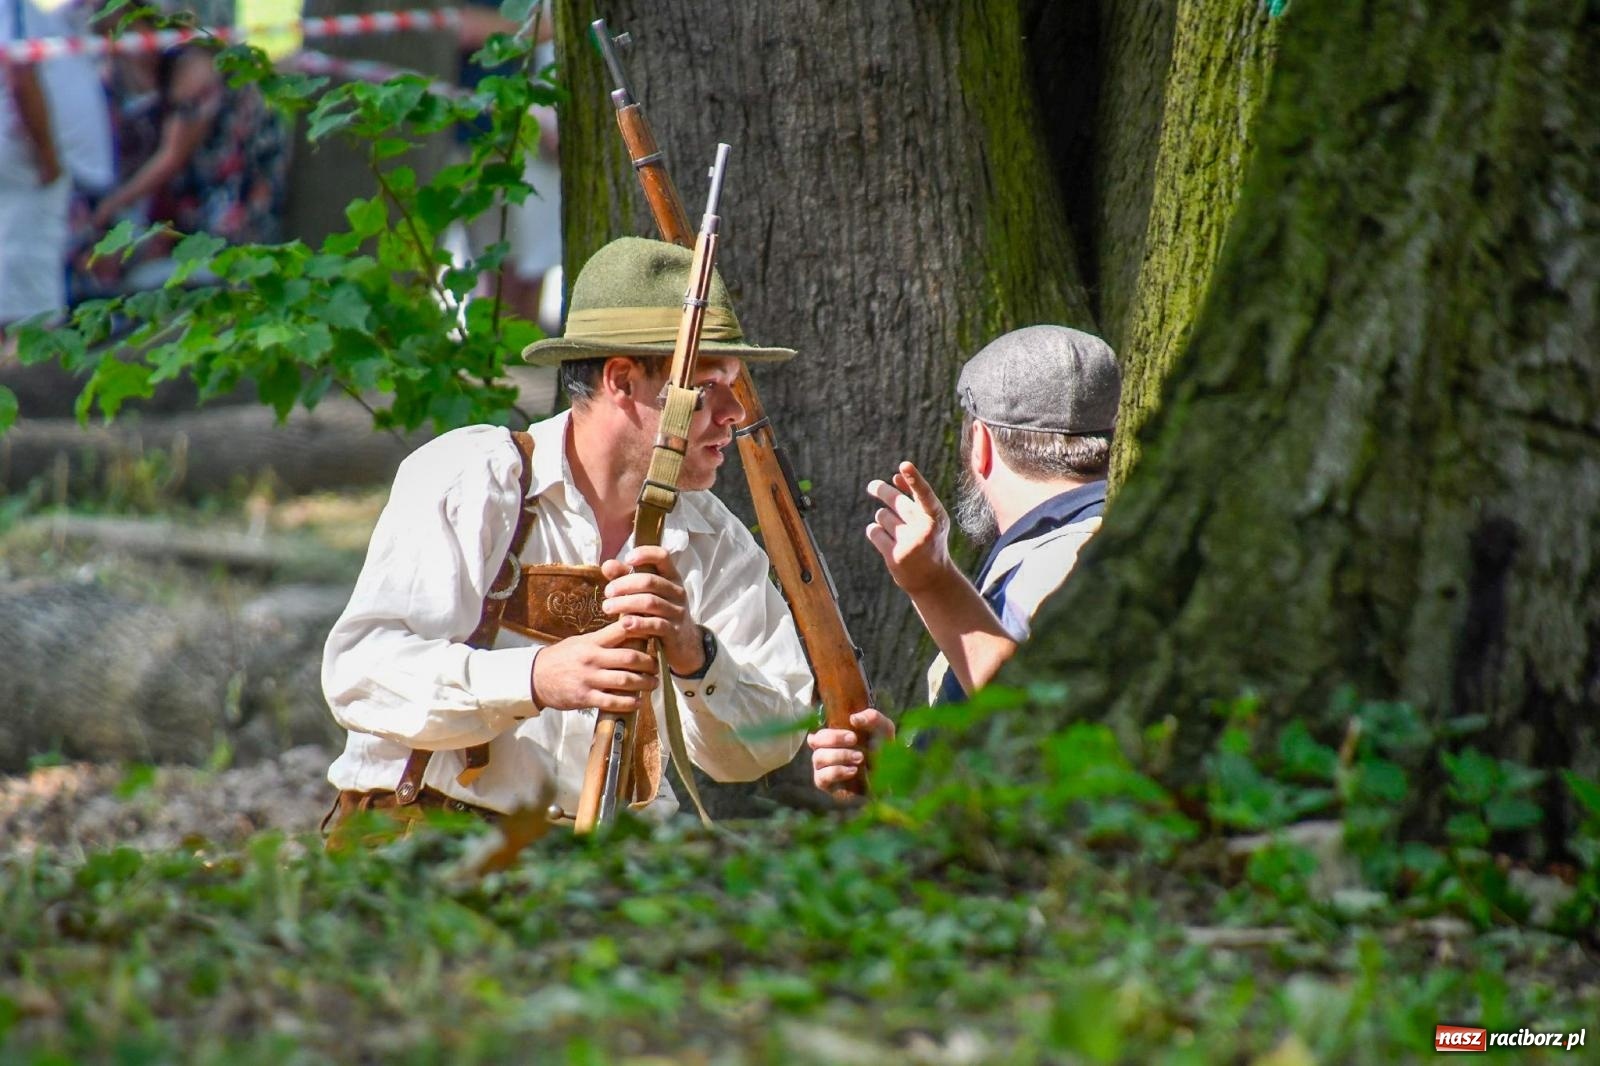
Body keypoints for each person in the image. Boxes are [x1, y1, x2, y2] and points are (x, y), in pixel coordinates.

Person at [322, 237, 813, 827]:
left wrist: (692, 651)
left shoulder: (717, 542)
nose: (734, 411)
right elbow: (358, 673)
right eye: (708, 389)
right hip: (423, 835)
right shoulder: (471, 480)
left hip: (610, 867)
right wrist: (535, 678)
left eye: (734, 386)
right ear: (622, 380)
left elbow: (765, 743)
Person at [809, 325, 1122, 791]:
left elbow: (1039, 731)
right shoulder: (1101, 544)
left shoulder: (1059, 564)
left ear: (980, 443)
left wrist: (932, 584)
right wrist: (899, 772)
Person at [0, 0, 112, 335]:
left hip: (25, 155)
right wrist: (49, 157)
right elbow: (20, 72)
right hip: (25, 157)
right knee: (28, 310)